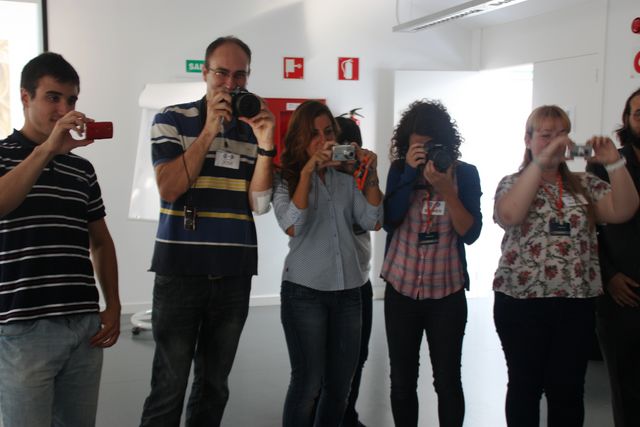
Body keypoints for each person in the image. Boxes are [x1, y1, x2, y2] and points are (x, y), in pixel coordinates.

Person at [139, 36, 276, 427]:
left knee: (215, 386)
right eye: (222, 73)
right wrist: (208, 131)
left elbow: (260, 204)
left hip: (233, 273)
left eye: (240, 75)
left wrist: (266, 144)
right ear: (204, 72)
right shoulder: (170, 119)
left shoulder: (253, 129)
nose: (231, 83)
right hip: (181, 271)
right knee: (169, 387)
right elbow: (169, 187)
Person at [492, 105, 639, 427]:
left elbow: (624, 209)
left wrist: (615, 162)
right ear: (528, 140)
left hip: (576, 304)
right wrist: (541, 164)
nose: (556, 143)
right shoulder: (511, 182)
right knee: (524, 386)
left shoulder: (584, 184)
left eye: (562, 135)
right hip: (520, 303)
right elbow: (510, 215)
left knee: (568, 389)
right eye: (546, 136)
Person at [0, 52, 121, 427]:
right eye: (53, 97)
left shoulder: (81, 169)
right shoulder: (3, 157)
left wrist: (113, 304)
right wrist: (48, 149)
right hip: (24, 328)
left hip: (83, 325)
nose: (64, 108)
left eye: (71, 99)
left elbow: (100, 241)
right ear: (25, 97)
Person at [272, 100, 383, 427]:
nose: (324, 141)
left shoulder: (346, 178)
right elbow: (293, 225)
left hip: (350, 291)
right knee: (307, 384)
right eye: (314, 135)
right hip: (305, 292)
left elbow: (373, 220)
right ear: (300, 140)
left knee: (340, 387)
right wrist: (308, 172)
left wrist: (371, 175)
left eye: (328, 132)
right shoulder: (285, 178)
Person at [381, 100, 482, 427]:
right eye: (417, 146)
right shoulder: (399, 170)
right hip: (401, 290)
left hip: (447, 294)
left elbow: (470, 233)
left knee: (448, 382)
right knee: (402, 382)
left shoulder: (464, 174)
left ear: (446, 144)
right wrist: (410, 174)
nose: (424, 152)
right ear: (406, 145)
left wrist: (447, 191)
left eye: (431, 145)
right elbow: (389, 220)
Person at [588, 88, 640, 427]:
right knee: (629, 393)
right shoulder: (604, 166)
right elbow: (588, 229)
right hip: (623, 295)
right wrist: (608, 275)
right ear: (627, 120)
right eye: (639, 113)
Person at [334, 115, 373, 427]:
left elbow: (370, 219)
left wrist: (365, 173)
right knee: (322, 360)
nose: (343, 153)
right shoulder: (319, 174)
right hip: (327, 281)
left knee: (358, 355)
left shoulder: (362, 173)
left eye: (349, 147)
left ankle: (348, 414)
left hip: (361, 277)